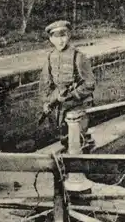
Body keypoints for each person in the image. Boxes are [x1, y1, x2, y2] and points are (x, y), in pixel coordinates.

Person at [39, 20, 95, 149]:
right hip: (60, 107)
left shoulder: (78, 57)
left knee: (79, 140)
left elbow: (90, 84)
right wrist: (47, 101)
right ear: (51, 39)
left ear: (69, 36)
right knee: (64, 140)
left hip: (79, 104)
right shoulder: (50, 57)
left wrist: (72, 94)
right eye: (56, 37)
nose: (61, 41)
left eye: (63, 36)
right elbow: (45, 83)